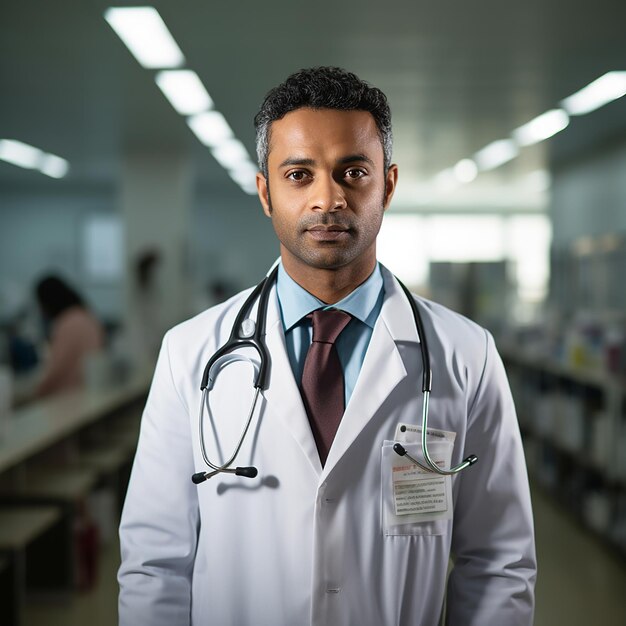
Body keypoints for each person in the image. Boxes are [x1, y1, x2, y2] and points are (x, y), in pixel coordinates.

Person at [118, 67, 536, 625]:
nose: (328, 198)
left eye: (353, 172)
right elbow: (155, 564)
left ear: (386, 185)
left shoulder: (466, 355)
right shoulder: (190, 353)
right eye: (299, 174)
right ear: (266, 192)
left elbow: (499, 561)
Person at [34, 275, 104, 397]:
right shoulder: (86, 316)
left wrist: (37, 393)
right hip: (90, 392)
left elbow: (56, 369)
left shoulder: (66, 323)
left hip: (70, 397)